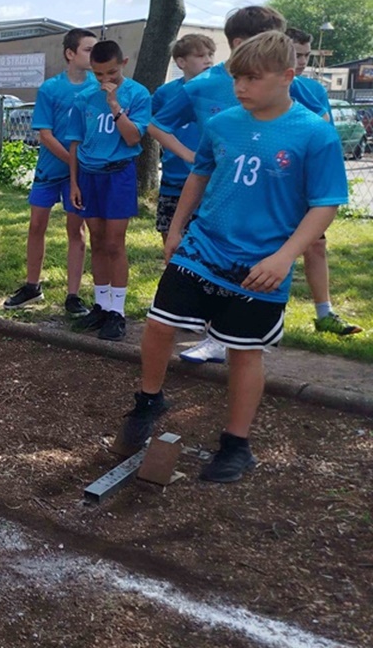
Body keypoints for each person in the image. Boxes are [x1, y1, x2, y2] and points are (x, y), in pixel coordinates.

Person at [118, 31, 348, 483]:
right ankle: (149, 399)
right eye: (236, 77)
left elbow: (325, 204)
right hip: (203, 247)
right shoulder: (222, 123)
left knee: (244, 355)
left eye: (252, 78)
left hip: (261, 265)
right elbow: (199, 175)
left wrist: (284, 258)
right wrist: (177, 228)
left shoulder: (314, 133)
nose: (241, 87)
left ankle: (236, 445)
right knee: (159, 324)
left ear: (288, 76)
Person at [150, 8, 359, 363]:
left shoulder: (300, 92)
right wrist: (189, 157)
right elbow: (159, 126)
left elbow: (317, 136)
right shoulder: (201, 86)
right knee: (169, 313)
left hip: (279, 209)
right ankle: (209, 338)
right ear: (238, 43)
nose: (243, 88)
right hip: (216, 215)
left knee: (310, 249)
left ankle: (322, 311)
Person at [3, 27, 96, 316]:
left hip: (80, 175)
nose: (94, 56)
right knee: (36, 225)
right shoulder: (50, 88)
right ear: (70, 53)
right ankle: (32, 286)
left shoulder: (98, 88)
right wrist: (72, 160)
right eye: (88, 50)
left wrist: (78, 167)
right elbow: (45, 133)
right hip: (49, 170)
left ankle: (73, 295)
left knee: (76, 230)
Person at [65, 40, 151, 341]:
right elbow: (75, 142)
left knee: (115, 243)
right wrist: (74, 182)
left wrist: (115, 106)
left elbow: (132, 138)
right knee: (98, 241)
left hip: (118, 175)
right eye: (98, 75)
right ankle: (100, 306)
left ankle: (118, 311)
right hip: (89, 175)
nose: (104, 81)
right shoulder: (85, 98)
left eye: (111, 73)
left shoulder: (138, 94)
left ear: (123, 63)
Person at [287, 27, 362, 336]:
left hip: (305, 179)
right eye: (296, 54)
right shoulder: (260, 85)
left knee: (315, 244)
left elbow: (324, 128)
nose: (302, 61)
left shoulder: (312, 90)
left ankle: (325, 313)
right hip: (270, 180)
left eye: (306, 55)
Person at [152, 34, 215, 239]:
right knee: (171, 238)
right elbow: (151, 125)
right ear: (181, 62)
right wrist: (186, 154)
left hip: (208, 179)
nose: (208, 60)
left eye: (210, 54)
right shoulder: (165, 92)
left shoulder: (218, 90)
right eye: (200, 55)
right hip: (174, 177)